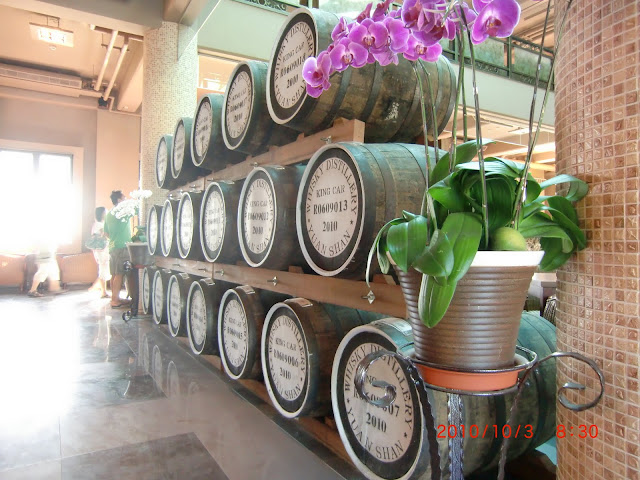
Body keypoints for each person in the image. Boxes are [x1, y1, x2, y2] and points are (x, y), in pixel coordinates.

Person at [104, 190, 132, 308]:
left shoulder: (109, 214)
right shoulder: (122, 211)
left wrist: (115, 238)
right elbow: (139, 210)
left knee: (114, 274)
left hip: (112, 246)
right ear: (119, 200)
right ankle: (115, 300)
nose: (126, 200)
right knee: (119, 274)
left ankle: (114, 298)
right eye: (124, 198)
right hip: (121, 246)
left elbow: (106, 233)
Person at [88, 207, 111, 298]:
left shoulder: (99, 224)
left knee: (104, 269)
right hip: (101, 251)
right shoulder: (99, 225)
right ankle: (103, 292)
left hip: (102, 250)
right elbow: (105, 235)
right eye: (105, 212)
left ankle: (97, 286)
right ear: (102, 214)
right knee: (103, 269)